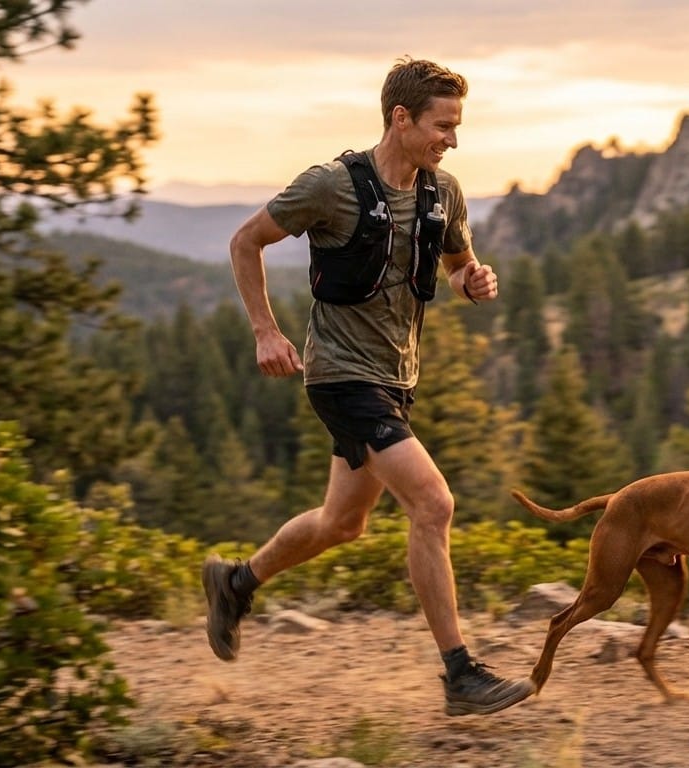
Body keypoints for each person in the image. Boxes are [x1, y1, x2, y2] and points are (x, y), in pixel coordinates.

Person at [204, 57, 534, 717]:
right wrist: (266, 332)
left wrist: (475, 281)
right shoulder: (330, 186)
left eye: (457, 127)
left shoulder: (443, 191)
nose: (452, 140)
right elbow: (246, 242)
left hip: (395, 377)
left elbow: (460, 263)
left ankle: (236, 582)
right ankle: (459, 674)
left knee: (342, 523)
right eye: (442, 126)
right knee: (432, 505)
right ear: (401, 117)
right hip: (340, 374)